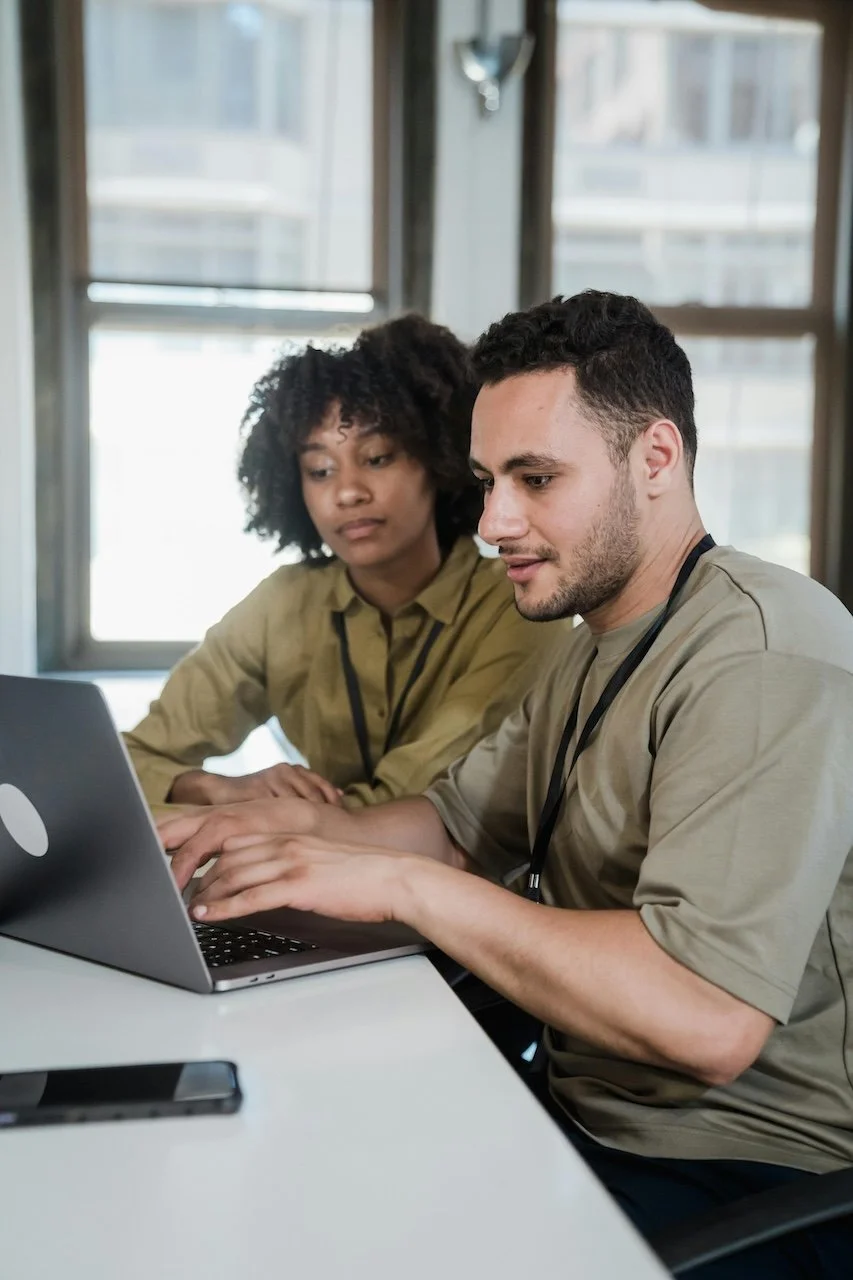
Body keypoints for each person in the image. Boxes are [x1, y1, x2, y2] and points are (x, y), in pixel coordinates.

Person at [159, 292, 853, 1278]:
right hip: (579, 1119)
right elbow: (449, 828)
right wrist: (251, 832)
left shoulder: (762, 652)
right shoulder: (594, 645)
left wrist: (403, 888)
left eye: (535, 478)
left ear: (656, 459)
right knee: (286, 1187)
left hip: (741, 1172)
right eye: (487, 481)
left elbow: (705, 1015)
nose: (491, 521)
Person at [126, 313, 560, 812]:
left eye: (377, 458)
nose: (347, 492)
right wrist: (209, 788)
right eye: (319, 470)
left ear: (440, 459)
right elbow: (132, 760)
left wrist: (258, 815)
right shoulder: (283, 603)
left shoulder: (518, 605)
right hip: (305, 874)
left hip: (459, 885)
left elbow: (414, 798)